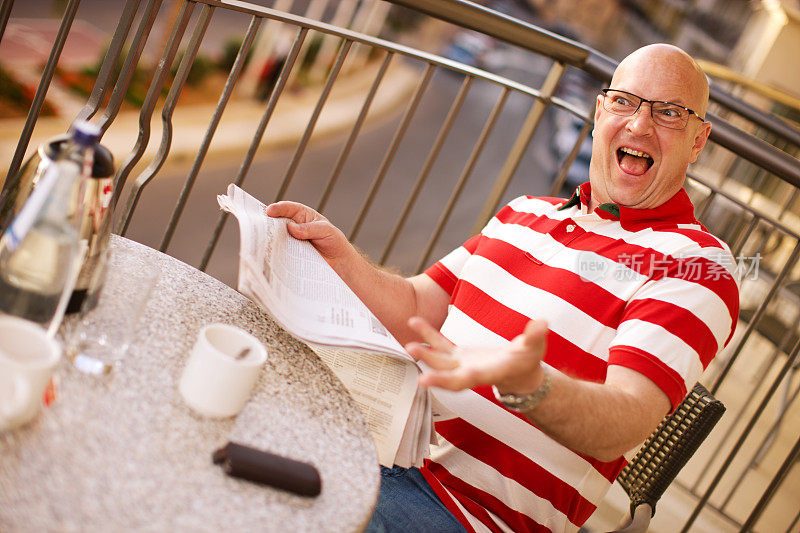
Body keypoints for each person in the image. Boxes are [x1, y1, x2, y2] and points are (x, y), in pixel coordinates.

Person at [266, 43, 739, 533]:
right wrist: (340, 257)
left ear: (698, 141)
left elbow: (626, 420)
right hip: (376, 447)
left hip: (462, 513)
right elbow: (415, 306)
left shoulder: (695, 264)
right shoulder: (524, 212)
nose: (640, 125)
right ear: (600, 112)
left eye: (669, 113)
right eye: (625, 102)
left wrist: (529, 387)